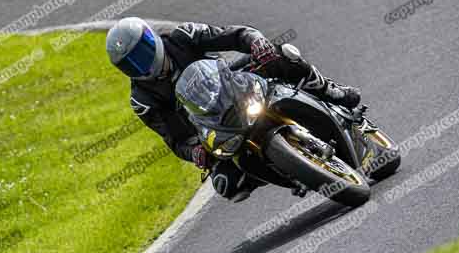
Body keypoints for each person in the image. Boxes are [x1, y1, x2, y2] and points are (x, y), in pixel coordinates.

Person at [105, 17, 361, 201]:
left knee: (280, 55)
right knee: (227, 185)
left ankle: (330, 90)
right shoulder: (142, 100)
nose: (142, 64)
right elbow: (175, 139)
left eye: (143, 52)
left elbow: (235, 34)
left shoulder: (183, 36)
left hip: (235, 84)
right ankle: (291, 169)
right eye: (132, 64)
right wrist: (194, 152)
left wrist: (255, 42)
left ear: (153, 39)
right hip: (213, 124)